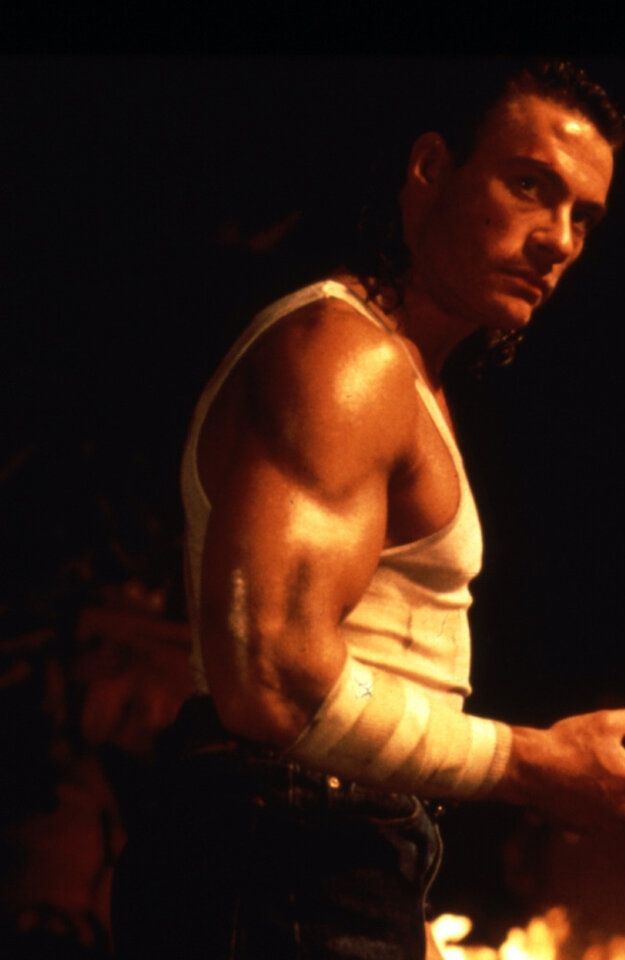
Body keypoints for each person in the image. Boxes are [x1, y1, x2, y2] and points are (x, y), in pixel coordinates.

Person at [112, 60, 625, 960]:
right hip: (286, 853)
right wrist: (529, 763)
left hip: (316, 855)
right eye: (528, 186)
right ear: (430, 168)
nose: (557, 240)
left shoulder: (401, 372)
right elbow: (270, 680)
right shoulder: (345, 357)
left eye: (582, 216)